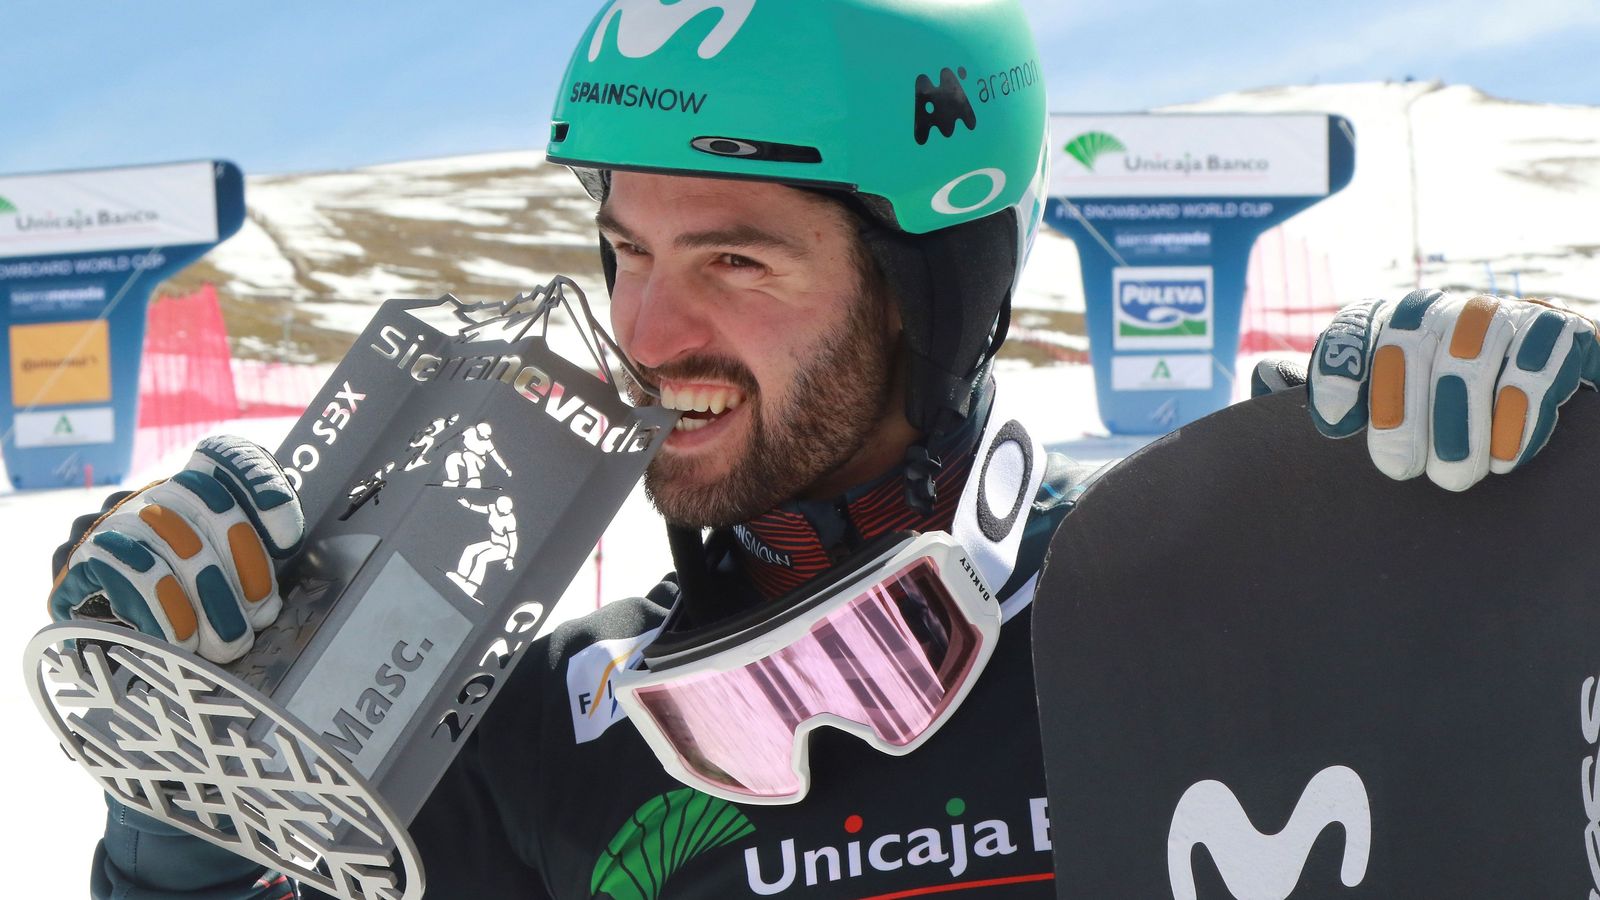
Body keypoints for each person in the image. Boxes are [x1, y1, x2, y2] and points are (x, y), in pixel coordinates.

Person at [47, 1, 1600, 897]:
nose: (644, 337)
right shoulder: (534, 735)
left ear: (933, 290)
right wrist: (189, 788)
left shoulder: (1210, 596)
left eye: (734, 261)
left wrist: (1518, 523)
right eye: (622, 251)